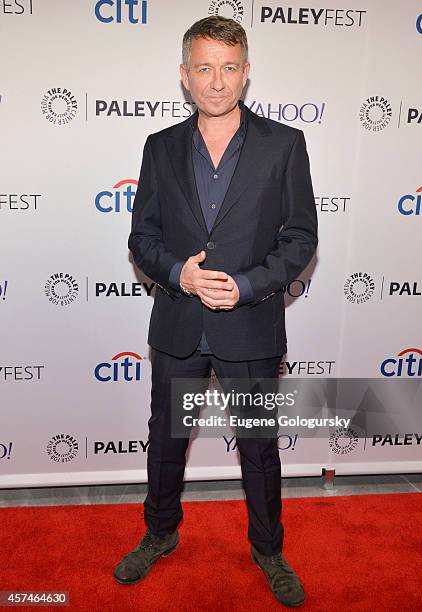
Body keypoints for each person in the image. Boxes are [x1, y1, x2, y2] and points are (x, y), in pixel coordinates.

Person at [113, 15, 318, 608]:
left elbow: (301, 236)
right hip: (178, 321)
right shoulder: (159, 147)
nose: (217, 80)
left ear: (246, 72)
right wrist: (178, 272)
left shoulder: (285, 145)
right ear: (185, 75)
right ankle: (159, 533)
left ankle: (269, 548)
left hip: (250, 325)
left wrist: (250, 284)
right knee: (166, 439)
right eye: (204, 68)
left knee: (258, 444)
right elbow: (141, 238)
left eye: (229, 68)